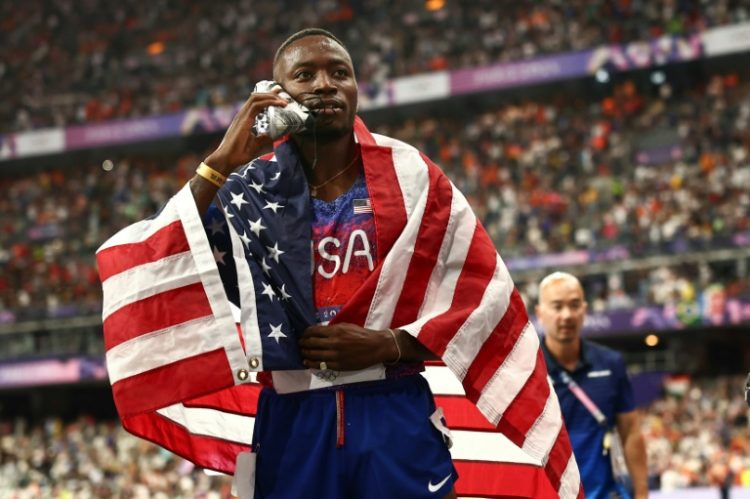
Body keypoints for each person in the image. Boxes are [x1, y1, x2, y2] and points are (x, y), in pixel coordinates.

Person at [97, 28, 581, 498]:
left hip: (394, 412)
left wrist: (388, 344)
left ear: (355, 88)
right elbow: (157, 259)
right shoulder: (246, 191)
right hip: (293, 421)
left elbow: (484, 304)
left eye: (339, 73)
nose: (325, 84)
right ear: (274, 97)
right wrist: (221, 160)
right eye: (304, 75)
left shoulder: (412, 174)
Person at [536, 271, 648, 499]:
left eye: (574, 305)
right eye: (557, 306)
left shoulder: (611, 363)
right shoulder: (527, 369)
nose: (566, 315)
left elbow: (631, 433)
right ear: (540, 313)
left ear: (584, 310)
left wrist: (642, 494)